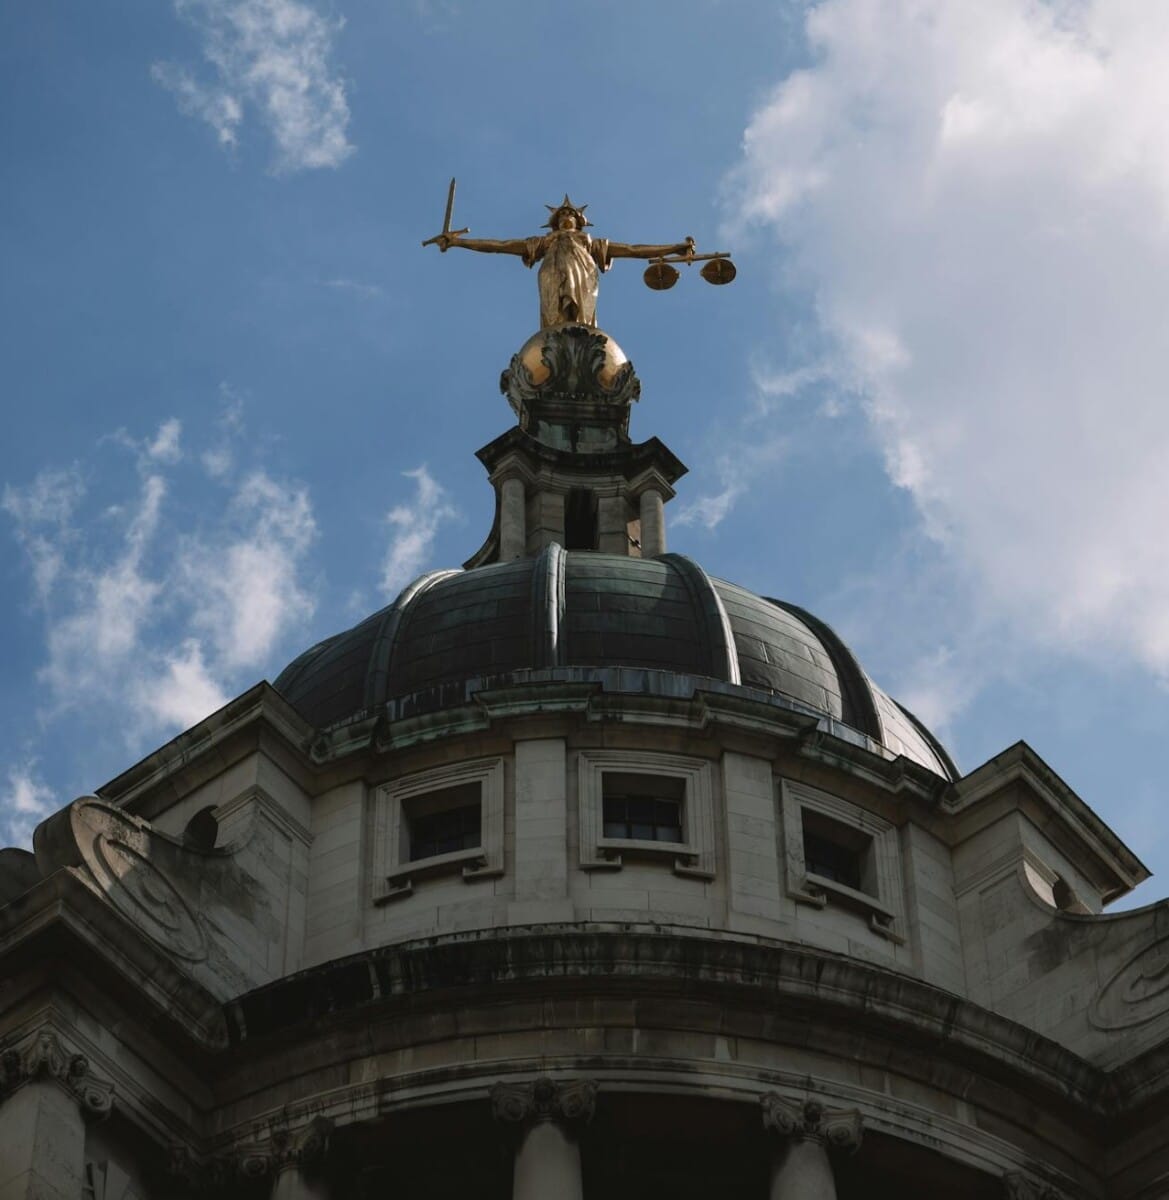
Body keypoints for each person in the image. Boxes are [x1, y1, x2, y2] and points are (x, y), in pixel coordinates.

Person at [435, 197, 694, 329]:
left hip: (584, 276)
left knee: (581, 326)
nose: (566, 218)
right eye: (562, 216)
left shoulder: (589, 242)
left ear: (580, 222)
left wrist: (674, 247)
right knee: (555, 322)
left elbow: (633, 250)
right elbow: (500, 246)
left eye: (571, 215)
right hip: (551, 274)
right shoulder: (544, 242)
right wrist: (459, 243)